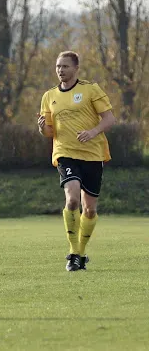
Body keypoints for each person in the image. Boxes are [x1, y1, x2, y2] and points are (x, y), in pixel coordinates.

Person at [37, 51, 115, 272]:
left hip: (92, 154)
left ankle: (81, 252)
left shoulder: (90, 89)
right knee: (72, 200)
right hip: (65, 153)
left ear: (76, 69)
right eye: (58, 66)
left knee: (89, 210)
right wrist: (43, 128)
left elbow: (110, 119)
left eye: (65, 66)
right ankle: (73, 253)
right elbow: (50, 131)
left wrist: (93, 132)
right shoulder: (49, 96)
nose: (61, 70)